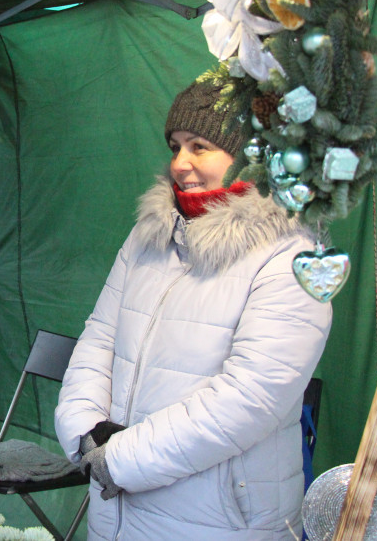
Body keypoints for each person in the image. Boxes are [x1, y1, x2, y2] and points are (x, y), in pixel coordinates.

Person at [54, 81, 333, 541]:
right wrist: (83, 431)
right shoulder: (148, 237)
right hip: (115, 506)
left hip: (219, 521)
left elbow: (250, 398)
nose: (181, 163)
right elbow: (100, 337)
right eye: (176, 146)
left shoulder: (291, 256)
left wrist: (120, 459)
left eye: (200, 147)